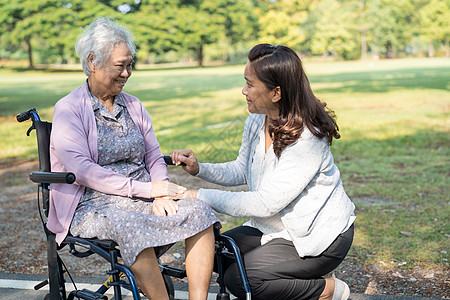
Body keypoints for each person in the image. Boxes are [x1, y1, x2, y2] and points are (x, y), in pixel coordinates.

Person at [47, 17, 218, 300]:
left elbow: (153, 155)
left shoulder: (134, 105)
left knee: (200, 211)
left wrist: (161, 193)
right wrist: (150, 190)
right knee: (131, 225)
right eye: (120, 65)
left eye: (130, 65)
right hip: (93, 202)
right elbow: (83, 171)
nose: (127, 73)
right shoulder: (69, 109)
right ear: (93, 62)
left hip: (143, 196)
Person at [171, 44, 356, 300]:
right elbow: (241, 170)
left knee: (239, 279)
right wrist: (199, 169)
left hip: (316, 237)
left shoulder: (307, 139)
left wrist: (198, 195)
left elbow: (266, 203)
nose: (243, 91)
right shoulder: (258, 118)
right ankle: (290, 281)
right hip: (273, 228)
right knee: (210, 254)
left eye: (250, 84)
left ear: (276, 92)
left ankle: (328, 290)